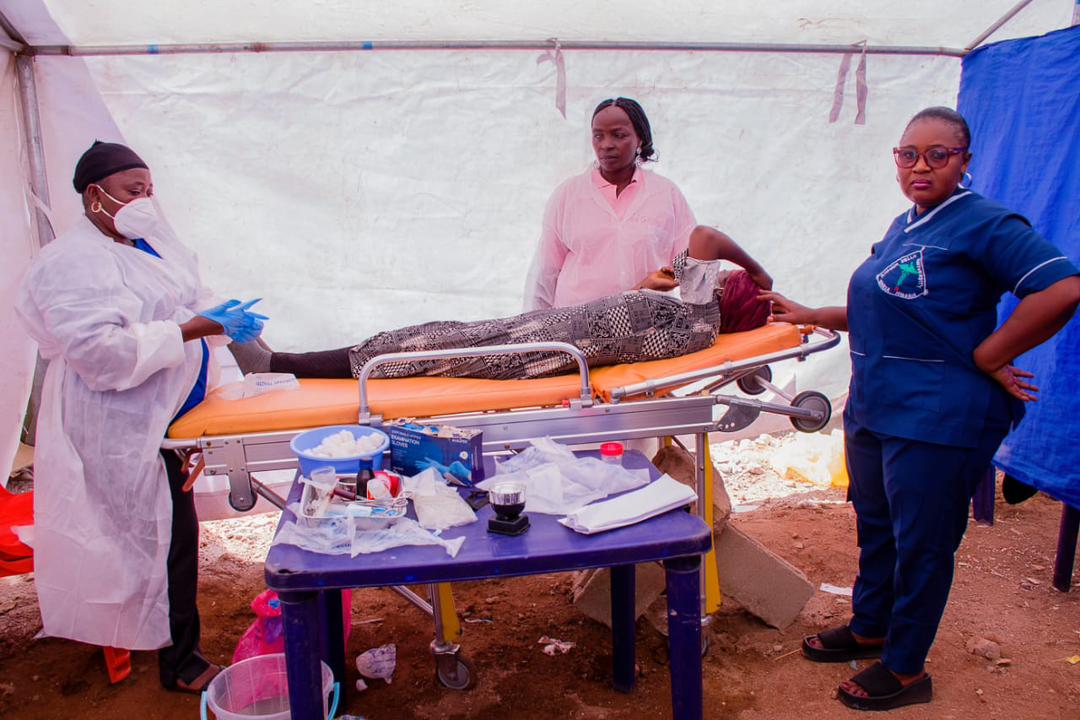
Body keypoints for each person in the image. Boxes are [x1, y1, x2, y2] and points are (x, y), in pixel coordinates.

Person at [760, 107, 1080, 711]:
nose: (920, 166)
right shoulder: (905, 225)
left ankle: (906, 667)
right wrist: (812, 313)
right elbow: (886, 305)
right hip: (878, 405)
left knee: (923, 543)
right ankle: (871, 626)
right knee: (877, 525)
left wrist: (990, 352)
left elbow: (1062, 287)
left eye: (938, 154)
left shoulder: (984, 222)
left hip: (938, 415)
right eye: (908, 154)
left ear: (964, 161)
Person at [16, 142, 267, 693]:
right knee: (155, 540)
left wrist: (216, 322)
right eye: (134, 190)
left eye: (150, 189)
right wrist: (197, 327)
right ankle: (180, 664)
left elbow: (180, 303)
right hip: (118, 425)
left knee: (168, 536)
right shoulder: (71, 262)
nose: (146, 200)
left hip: (164, 415)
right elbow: (98, 352)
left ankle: (169, 649)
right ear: (94, 195)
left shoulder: (146, 244)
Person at [260, 226, 772, 380]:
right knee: (425, 336)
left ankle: (277, 365)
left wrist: (759, 272)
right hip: (543, 332)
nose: (719, 275)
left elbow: (706, 237)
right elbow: (646, 296)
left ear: (726, 297)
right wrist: (659, 282)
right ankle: (279, 362)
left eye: (726, 280)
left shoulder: (701, 322)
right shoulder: (690, 316)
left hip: (539, 350)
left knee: (417, 352)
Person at [522, 97, 700, 311]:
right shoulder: (568, 195)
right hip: (576, 324)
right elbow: (545, 273)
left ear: (640, 139)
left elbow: (691, 264)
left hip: (646, 324)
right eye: (598, 136)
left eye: (618, 135)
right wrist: (535, 325)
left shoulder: (665, 194)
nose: (606, 145)